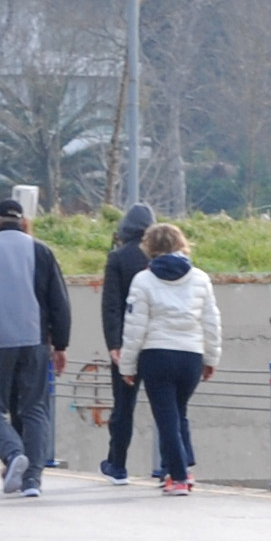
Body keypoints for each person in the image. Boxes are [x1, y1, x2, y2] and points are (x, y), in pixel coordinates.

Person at [0, 196, 73, 499]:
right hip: (35, 340)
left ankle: (13, 453)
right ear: (24, 220)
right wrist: (61, 344)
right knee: (34, 409)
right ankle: (32, 481)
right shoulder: (40, 250)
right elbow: (59, 302)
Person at [115, 221, 221, 497]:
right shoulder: (200, 278)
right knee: (178, 412)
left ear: (149, 248)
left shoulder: (143, 280)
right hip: (191, 355)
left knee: (167, 418)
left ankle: (178, 477)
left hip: (157, 354)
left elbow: (135, 327)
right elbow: (211, 321)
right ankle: (184, 465)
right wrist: (211, 358)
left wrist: (127, 365)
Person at [98, 202, 155, 481]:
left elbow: (111, 305)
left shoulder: (118, 258)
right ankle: (169, 466)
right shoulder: (162, 257)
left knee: (123, 407)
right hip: (159, 342)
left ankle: (117, 464)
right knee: (165, 408)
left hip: (127, 343)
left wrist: (114, 344)